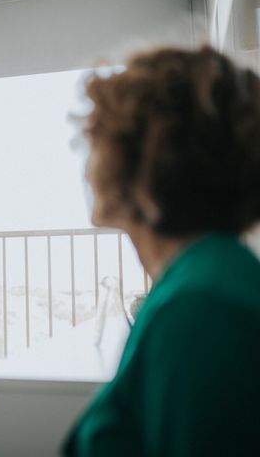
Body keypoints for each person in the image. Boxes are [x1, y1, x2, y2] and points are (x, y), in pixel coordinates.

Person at [63, 46, 260, 456]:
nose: (85, 167)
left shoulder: (202, 308)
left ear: (148, 158)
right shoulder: (202, 278)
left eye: (98, 141)